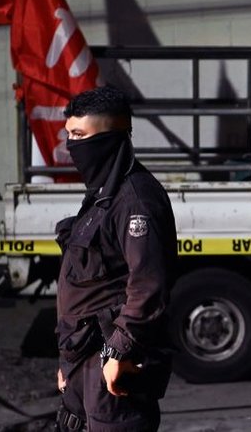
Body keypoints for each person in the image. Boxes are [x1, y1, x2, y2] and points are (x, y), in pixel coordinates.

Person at [54, 86, 177, 431]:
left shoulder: (136, 201)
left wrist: (118, 352)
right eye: (69, 135)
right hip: (82, 362)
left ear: (110, 138)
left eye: (79, 136)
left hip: (109, 367)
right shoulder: (100, 198)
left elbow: (149, 285)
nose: (71, 146)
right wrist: (67, 359)